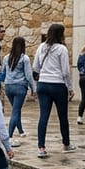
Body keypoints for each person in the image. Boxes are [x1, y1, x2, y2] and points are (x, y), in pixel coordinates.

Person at [33, 23, 76, 159]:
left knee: (43, 116)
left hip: (43, 84)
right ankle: (66, 144)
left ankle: (41, 147)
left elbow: (35, 67)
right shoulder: (61, 49)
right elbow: (65, 71)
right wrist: (70, 87)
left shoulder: (41, 47)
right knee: (62, 116)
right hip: (57, 84)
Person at [1, 36, 35, 147]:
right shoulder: (24, 58)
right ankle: (9, 136)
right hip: (20, 87)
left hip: (8, 86)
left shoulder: (6, 58)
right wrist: (33, 88)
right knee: (15, 111)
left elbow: (3, 72)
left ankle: (21, 131)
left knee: (16, 109)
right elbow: (29, 75)